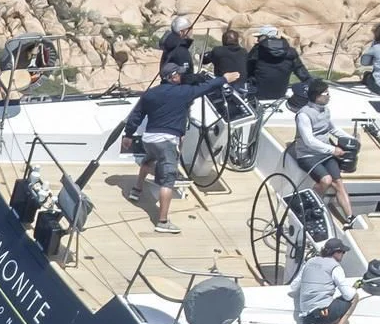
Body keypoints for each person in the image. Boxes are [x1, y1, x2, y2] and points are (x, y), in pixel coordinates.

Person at [121, 60, 222, 234]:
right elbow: (206, 87)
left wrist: (128, 135)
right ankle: (162, 221)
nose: (181, 76)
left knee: (148, 161)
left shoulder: (150, 94)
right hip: (167, 141)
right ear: (173, 77)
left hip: (149, 139)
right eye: (179, 74)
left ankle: (136, 190)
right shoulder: (184, 93)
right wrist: (225, 78)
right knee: (168, 180)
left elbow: (136, 115)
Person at [290, 80, 362, 227]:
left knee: (338, 183)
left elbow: (332, 129)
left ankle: (349, 218)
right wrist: (332, 150)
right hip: (308, 155)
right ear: (317, 96)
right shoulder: (303, 115)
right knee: (326, 181)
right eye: (326, 94)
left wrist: (351, 139)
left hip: (326, 153)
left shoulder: (325, 110)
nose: (329, 96)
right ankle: (306, 205)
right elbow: (309, 140)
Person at [289, 236, 355, 324]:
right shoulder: (335, 267)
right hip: (323, 314)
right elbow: (348, 296)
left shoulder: (309, 262)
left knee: (331, 304)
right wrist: (354, 289)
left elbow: (293, 288)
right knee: (355, 297)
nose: (343, 255)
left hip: (306, 316)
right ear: (336, 252)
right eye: (342, 252)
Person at [246, 25, 304, 105]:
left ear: (265, 37)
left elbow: (247, 70)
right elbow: (302, 73)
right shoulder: (291, 51)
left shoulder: (257, 51)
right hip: (280, 95)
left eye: (259, 37)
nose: (257, 40)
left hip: (258, 96)